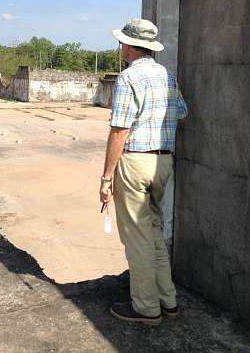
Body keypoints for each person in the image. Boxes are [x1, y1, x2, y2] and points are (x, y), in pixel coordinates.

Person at [100, 17, 187, 326]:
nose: (121, 46)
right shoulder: (168, 76)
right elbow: (183, 114)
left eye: (123, 42)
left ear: (129, 46)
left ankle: (147, 308)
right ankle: (168, 300)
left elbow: (120, 131)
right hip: (163, 162)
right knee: (152, 232)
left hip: (135, 162)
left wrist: (106, 177)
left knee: (137, 239)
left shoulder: (129, 78)